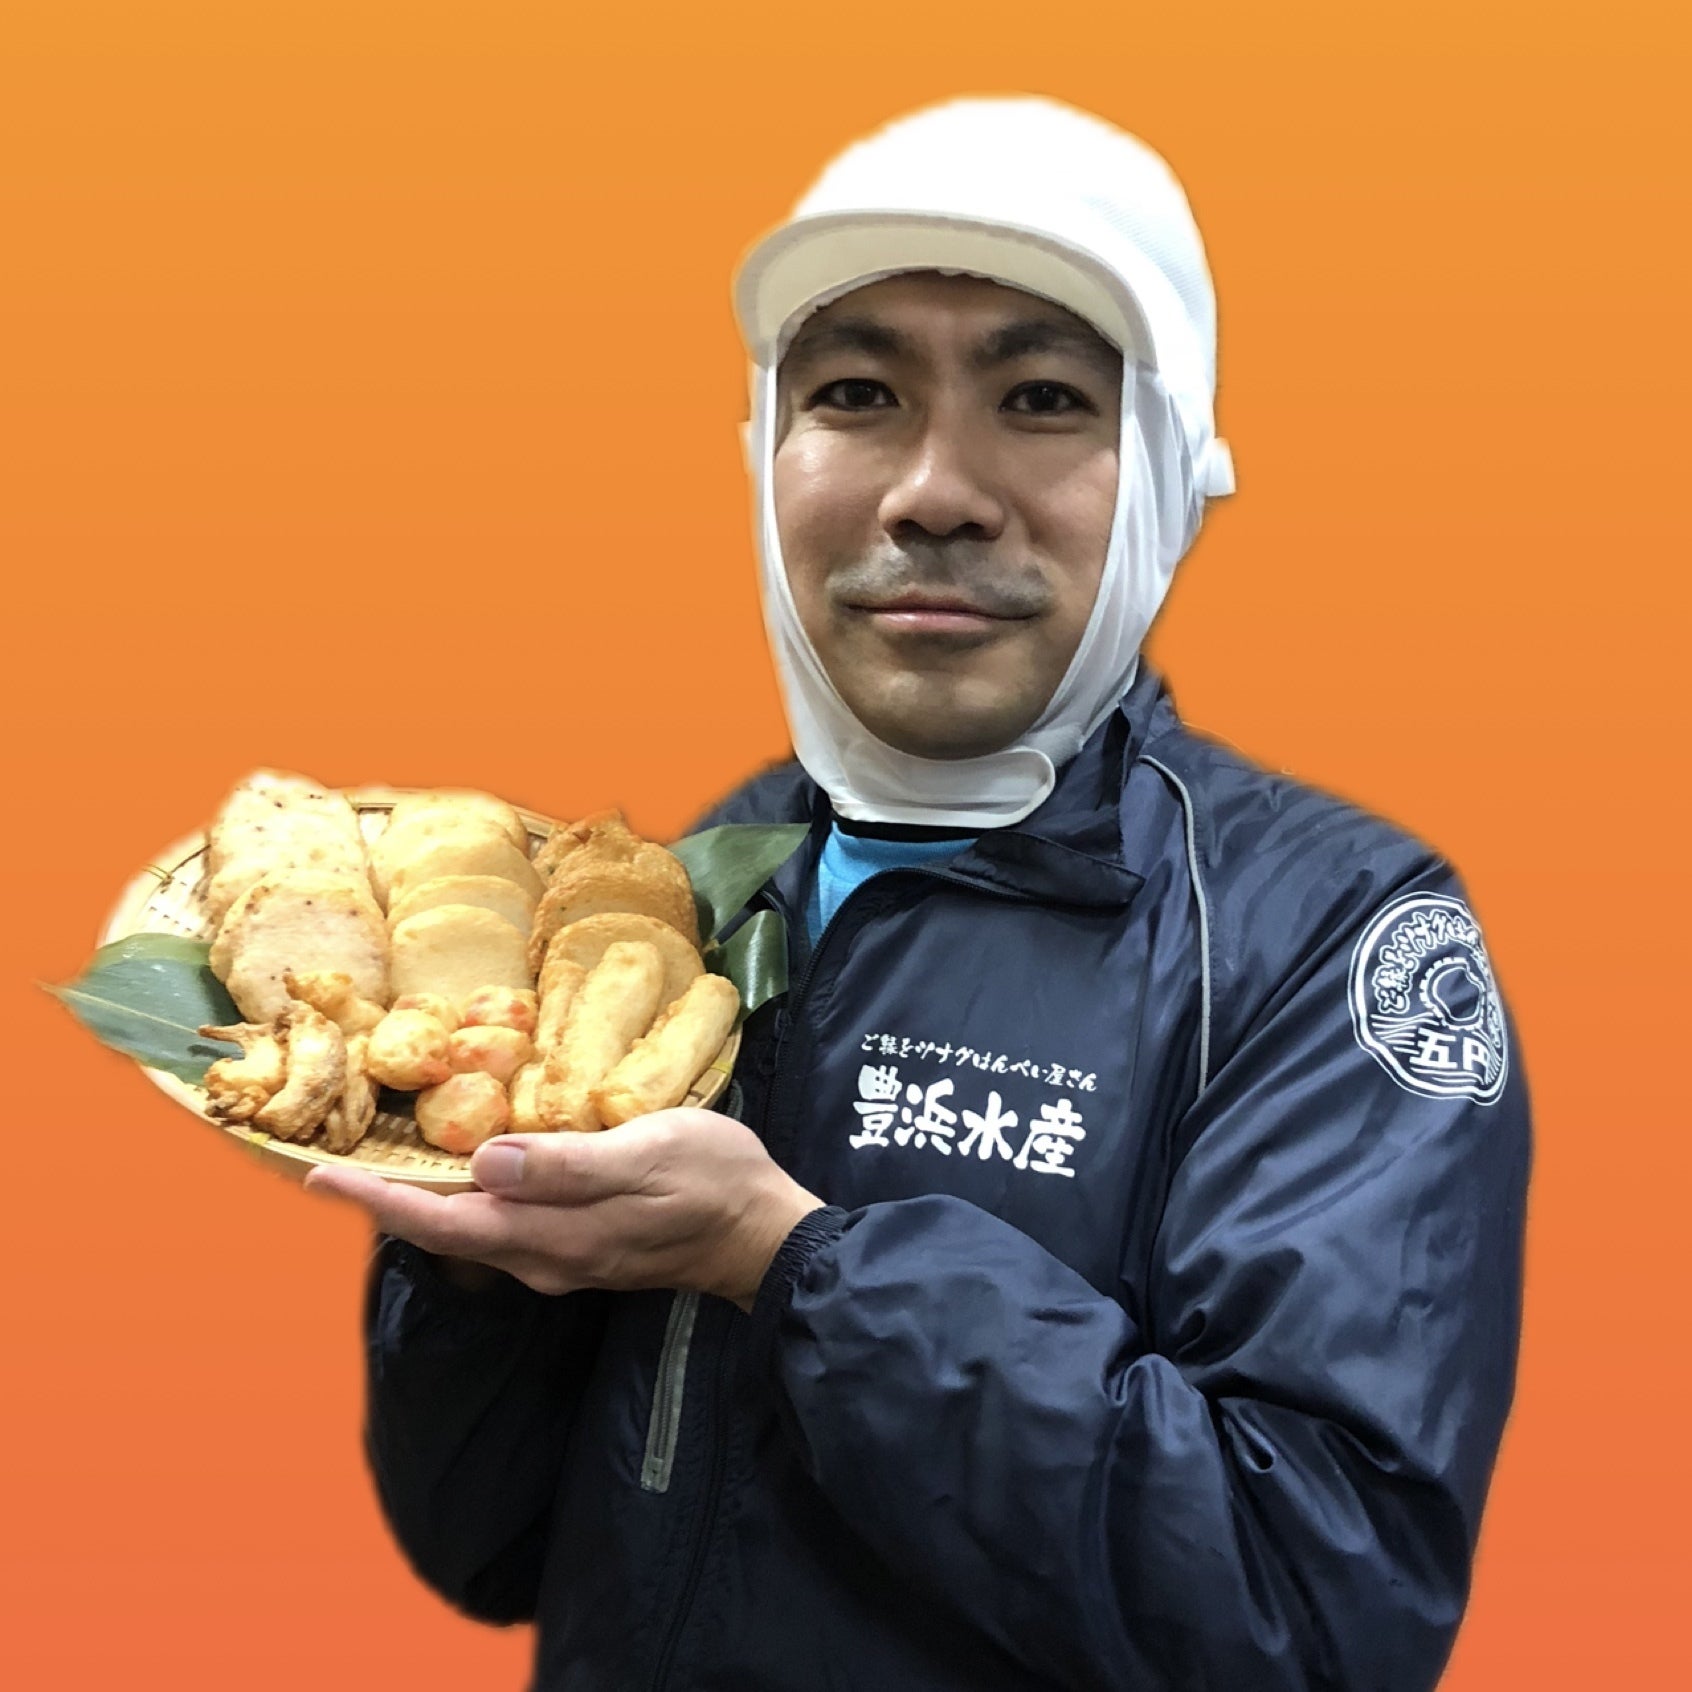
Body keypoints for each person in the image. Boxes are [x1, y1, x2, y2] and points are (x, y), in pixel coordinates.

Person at [306, 96, 1530, 1691]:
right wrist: (478, 1273)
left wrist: (789, 1263)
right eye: (858, 394)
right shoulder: (687, 885)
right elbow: (489, 1549)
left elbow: (1318, 1612)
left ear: (1172, 472)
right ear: (765, 456)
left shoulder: (1326, 938)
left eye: (1042, 397)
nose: (935, 491)